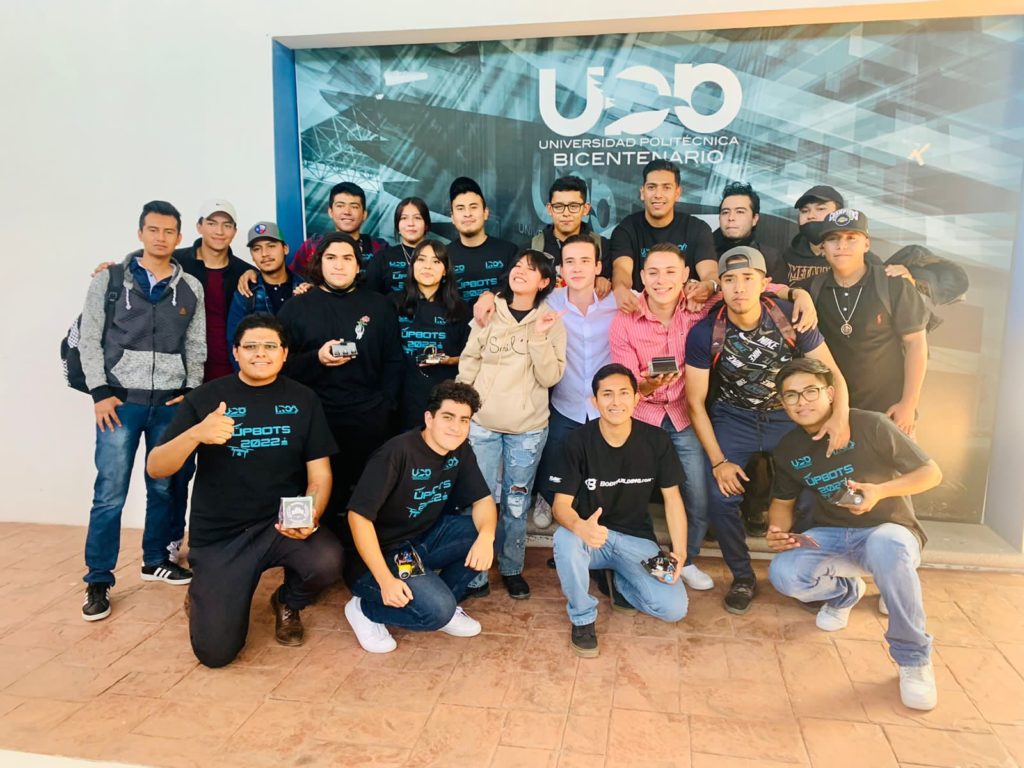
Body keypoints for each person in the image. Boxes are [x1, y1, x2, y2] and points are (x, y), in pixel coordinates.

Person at [611, 243, 814, 591]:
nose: (661, 280)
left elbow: (754, 287)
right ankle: (637, 562)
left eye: (670, 272)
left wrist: (799, 294)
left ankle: (686, 559)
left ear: (685, 275)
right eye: (653, 273)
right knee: (631, 494)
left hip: (684, 414)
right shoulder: (624, 320)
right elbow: (628, 386)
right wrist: (648, 385)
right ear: (642, 277)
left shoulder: (703, 303)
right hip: (642, 415)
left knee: (701, 496)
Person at [147, 314, 343, 667]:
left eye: (270, 346)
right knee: (215, 654)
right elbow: (157, 466)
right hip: (222, 534)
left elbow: (320, 475)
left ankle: (288, 601)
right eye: (250, 346)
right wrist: (196, 434)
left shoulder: (304, 399)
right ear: (235, 352)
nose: (260, 354)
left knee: (327, 560)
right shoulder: (206, 398)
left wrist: (310, 514)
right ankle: (205, 591)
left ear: (284, 353)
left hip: (279, 524)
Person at [766, 358, 942, 711]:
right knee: (784, 573)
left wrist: (880, 491)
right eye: (791, 396)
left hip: (888, 531)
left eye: (811, 391)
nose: (802, 402)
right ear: (783, 404)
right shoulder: (788, 448)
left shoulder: (870, 424)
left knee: (888, 545)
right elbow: (782, 504)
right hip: (832, 535)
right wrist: (777, 533)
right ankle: (845, 592)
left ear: (830, 393)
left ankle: (913, 659)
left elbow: (931, 474)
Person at [685, 246, 850, 615]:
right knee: (720, 496)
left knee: (811, 491)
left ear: (764, 283)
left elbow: (833, 375)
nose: (739, 287)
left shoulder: (788, 317)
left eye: (748, 278)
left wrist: (839, 417)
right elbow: (694, 402)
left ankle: (804, 571)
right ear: (720, 286)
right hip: (734, 416)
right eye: (730, 280)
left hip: (785, 416)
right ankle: (742, 576)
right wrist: (719, 462)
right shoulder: (706, 332)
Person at [78, 200, 206, 622]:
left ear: (179, 237)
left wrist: (190, 390)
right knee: (110, 493)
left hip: (169, 403)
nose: (161, 238)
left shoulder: (190, 287)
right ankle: (98, 578)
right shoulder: (111, 280)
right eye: (153, 230)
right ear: (140, 233)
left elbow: (196, 344)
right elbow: (90, 338)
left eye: (169, 231)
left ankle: (155, 560)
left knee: (164, 487)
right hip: (120, 403)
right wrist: (99, 392)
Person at [343, 381, 498, 653]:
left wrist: (487, 537)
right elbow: (358, 517)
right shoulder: (396, 453)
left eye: (464, 420)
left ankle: (442, 601)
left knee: (489, 531)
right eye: (448, 417)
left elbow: (483, 500)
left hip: (422, 542)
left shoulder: (460, 449)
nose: (456, 427)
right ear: (429, 418)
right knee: (435, 612)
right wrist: (385, 580)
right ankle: (365, 608)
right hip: (383, 554)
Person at [550, 364, 689, 657]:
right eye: (607, 394)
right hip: (593, 538)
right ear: (594, 401)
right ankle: (582, 618)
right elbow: (560, 506)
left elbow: (673, 499)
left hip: (637, 541)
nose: (616, 402)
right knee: (565, 539)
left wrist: (680, 552)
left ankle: (618, 582)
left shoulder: (656, 440)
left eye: (624, 393)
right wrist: (580, 526)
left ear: (637, 398)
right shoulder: (577, 441)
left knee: (674, 608)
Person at [276, 232, 404, 536]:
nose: (339, 265)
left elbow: (394, 360)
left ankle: (363, 555)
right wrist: (316, 358)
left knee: (369, 499)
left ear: (358, 266)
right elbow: (279, 366)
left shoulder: (380, 306)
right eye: (331, 258)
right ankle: (317, 551)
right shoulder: (295, 308)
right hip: (316, 419)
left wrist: (386, 406)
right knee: (321, 498)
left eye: (347, 258)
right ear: (319, 263)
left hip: (369, 419)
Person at [457, 249, 567, 599]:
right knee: (479, 499)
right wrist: (464, 408)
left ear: (544, 282)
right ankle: (475, 572)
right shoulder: (489, 310)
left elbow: (551, 377)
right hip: (483, 424)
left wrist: (538, 338)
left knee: (516, 503)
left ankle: (511, 567)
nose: (521, 271)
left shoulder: (551, 320)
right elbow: (470, 360)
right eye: (517, 265)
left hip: (527, 429)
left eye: (531, 269)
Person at [797, 209, 930, 435]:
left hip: (890, 412)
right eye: (833, 239)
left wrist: (908, 404)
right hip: (833, 415)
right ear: (823, 247)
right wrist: (796, 294)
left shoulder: (893, 284)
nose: (842, 245)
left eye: (851, 238)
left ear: (866, 244)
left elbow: (916, 344)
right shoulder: (811, 289)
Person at [532, 233, 618, 530]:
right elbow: (513, 295)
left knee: (603, 464)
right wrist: (488, 298)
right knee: (553, 453)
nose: (577, 268)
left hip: (604, 405)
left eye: (585, 261)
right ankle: (546, 497)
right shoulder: (548, 303)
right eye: (570, 261)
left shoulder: (617, 301)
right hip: (565, 400)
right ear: (561, 269)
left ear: (598, 267)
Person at [609, 159, 718, 313]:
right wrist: (620, 289)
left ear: (677, 193)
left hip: (688, 313)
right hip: (641, 313)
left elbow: (710, 274)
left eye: (666, 187)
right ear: (642, 192)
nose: (658, 195)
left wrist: (709, 286)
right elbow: (622, 270)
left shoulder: (697, 228)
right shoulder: (626, 229)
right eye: (652, 187)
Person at [392, 240, 470, 430]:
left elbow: (472, 357)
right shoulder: (392, 303)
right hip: (400, 400)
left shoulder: (460, 309)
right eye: (421, 260)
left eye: (436, 261)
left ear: (445, 270)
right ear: (412, 266)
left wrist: (448, 360)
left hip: (443, 400)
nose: (427, 266)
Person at [174, 199, 252, 383]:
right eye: (212, 223)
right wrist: (113, 270)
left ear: (234, 231)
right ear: (199, 226)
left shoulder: (245, 273)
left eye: (227, 225)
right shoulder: (175, 262)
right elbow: (142, 264)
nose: (219, 231)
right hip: (180, 371)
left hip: (228, 371)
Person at [225, 221, 305, 362]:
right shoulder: (246, 293)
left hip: (302, 372)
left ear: (285, 249)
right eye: (257, 249)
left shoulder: (305, 288)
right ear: (252, 255)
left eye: (271, 246)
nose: (264, 254)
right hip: (261, 371)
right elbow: (235, 343)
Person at [445, 176, 518, 317]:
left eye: (473, 207)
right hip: (457, 329)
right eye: (460, 208)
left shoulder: (509, 251)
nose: (467, 214)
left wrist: (492, 294)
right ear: (452, 217)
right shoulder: (442, 256)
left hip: (502, 328)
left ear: (485, 213)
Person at [288, 181, 388, 279]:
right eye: (340, 206)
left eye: (354, 207)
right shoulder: (312, 245)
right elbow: (294, 279)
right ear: (330, 212)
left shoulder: (380, 247)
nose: (347, 212)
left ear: (364, 214)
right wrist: (304, 286)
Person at [528, 176, 612, 293]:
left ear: (586, 209)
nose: (566, 213)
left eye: (573, 206)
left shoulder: (602, 247)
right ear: (549, 209)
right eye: (559, 206)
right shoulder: (532, 248)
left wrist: (603, 280)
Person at [714, 181, 787, 283]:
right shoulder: (705, 256)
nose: (731, 218)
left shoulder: (771, 258)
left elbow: (780, 292)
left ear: (754, 219)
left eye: (740, 212)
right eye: (725, 212)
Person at [365, 197, 431, 295]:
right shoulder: (382, 258)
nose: (411, 224)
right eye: (404, 218)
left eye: (417, 218)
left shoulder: (440, 255)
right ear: (397, 226)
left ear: (426, 225)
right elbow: (371, 297)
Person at [783, 185, 845, 283]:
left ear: (839, 214)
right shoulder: (787, 256)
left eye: (821, 209)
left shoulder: (852, 257)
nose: (811, 216)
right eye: (804, 211)